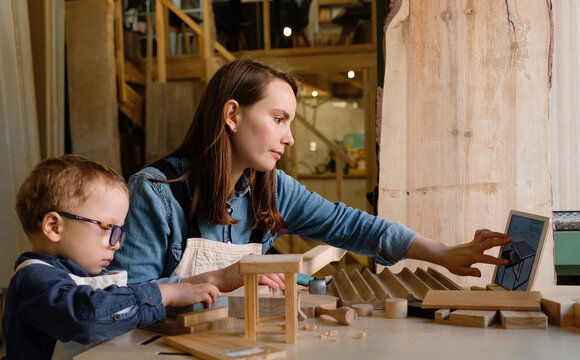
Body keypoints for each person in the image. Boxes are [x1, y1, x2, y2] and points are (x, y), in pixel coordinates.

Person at [110, 58, 512, 291]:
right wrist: (224, 279)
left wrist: (442, 253)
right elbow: (128, 300)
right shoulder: (155, 193)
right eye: (279, 119)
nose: (289, 139)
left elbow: (351, 225)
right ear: (232, 115)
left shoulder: (270, 189)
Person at [2, 155, 220, 360]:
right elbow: (86, 316)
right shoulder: (33, 281)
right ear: (54, 226)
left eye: (119, 232)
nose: (116, 243)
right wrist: (164, 294)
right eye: (107, 228)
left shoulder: (92, 275)